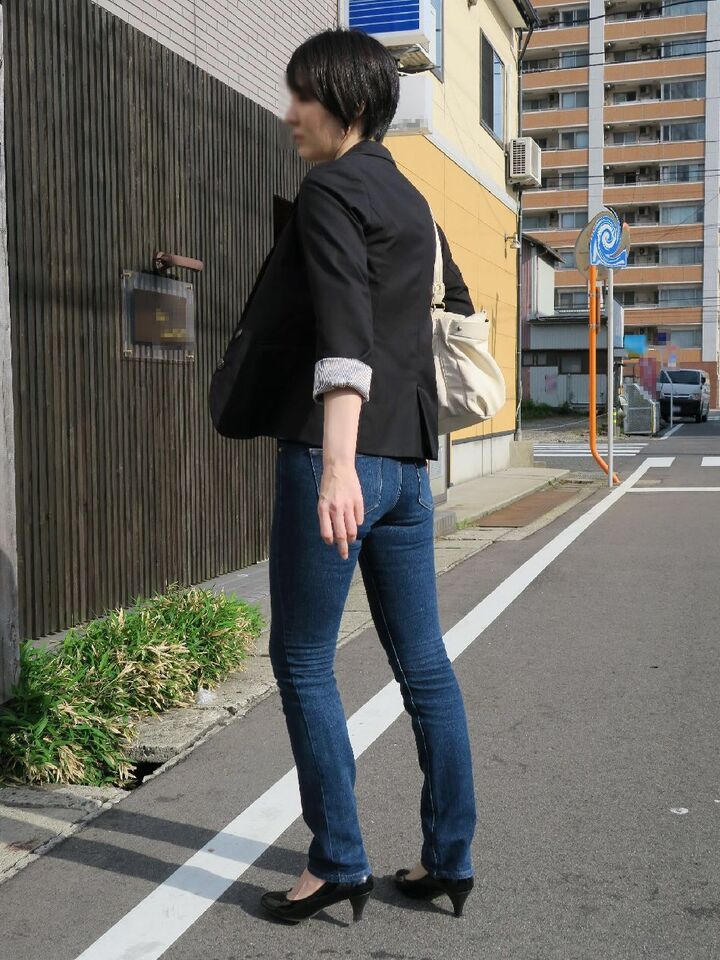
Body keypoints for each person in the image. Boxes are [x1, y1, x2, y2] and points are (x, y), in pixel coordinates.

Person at [241, 28, 477, 924]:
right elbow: (433, 314)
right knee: (424, 663)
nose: (290, 113)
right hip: (410, 465)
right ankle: (449, 858)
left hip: (337, 457)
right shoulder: (411, 198)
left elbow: (344, 330)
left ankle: (338, 861)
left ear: (343, 100)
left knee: (303, 658)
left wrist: (336, 465)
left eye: (302, 95)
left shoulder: (332, 188)